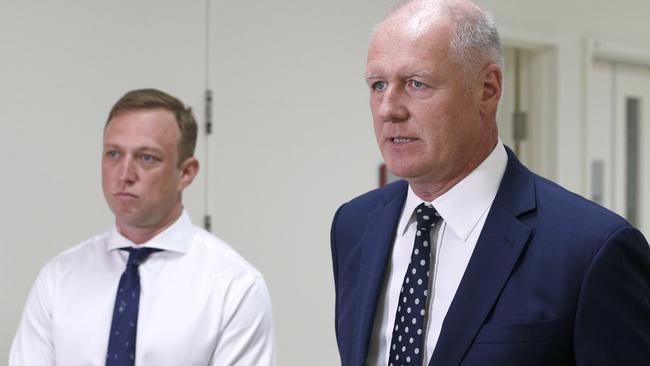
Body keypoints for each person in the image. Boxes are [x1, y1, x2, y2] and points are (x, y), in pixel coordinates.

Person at [330, 0, 650, 365]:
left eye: (416, 83)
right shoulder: (353, 226)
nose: (389, 109)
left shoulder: (591, 249)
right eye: (378, 85)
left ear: (487, 88)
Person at [11, 88, 276, 365]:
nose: (124, 175)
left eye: (146, 157)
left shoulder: (234, 286)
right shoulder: (57, 279)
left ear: (186, 173)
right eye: (114, 154)